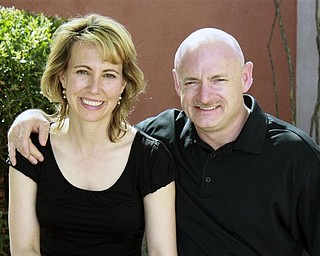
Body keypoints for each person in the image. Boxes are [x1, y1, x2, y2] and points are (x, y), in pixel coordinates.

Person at [8, 27, 320, 256]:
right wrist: (31, 117)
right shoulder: (161, 139)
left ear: (246, 77)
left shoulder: (297, 157)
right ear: (176, 83)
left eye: (219, 80)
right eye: (192, 82)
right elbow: (99, 131)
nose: (204, 96)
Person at [7, 14, 178, 256]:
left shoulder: (151, 158)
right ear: (62, 76)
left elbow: (162, 252)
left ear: (123, 85)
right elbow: (25, 249)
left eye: (108, 74)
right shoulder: (31, 148)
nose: (94, 88)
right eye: (83, 72)